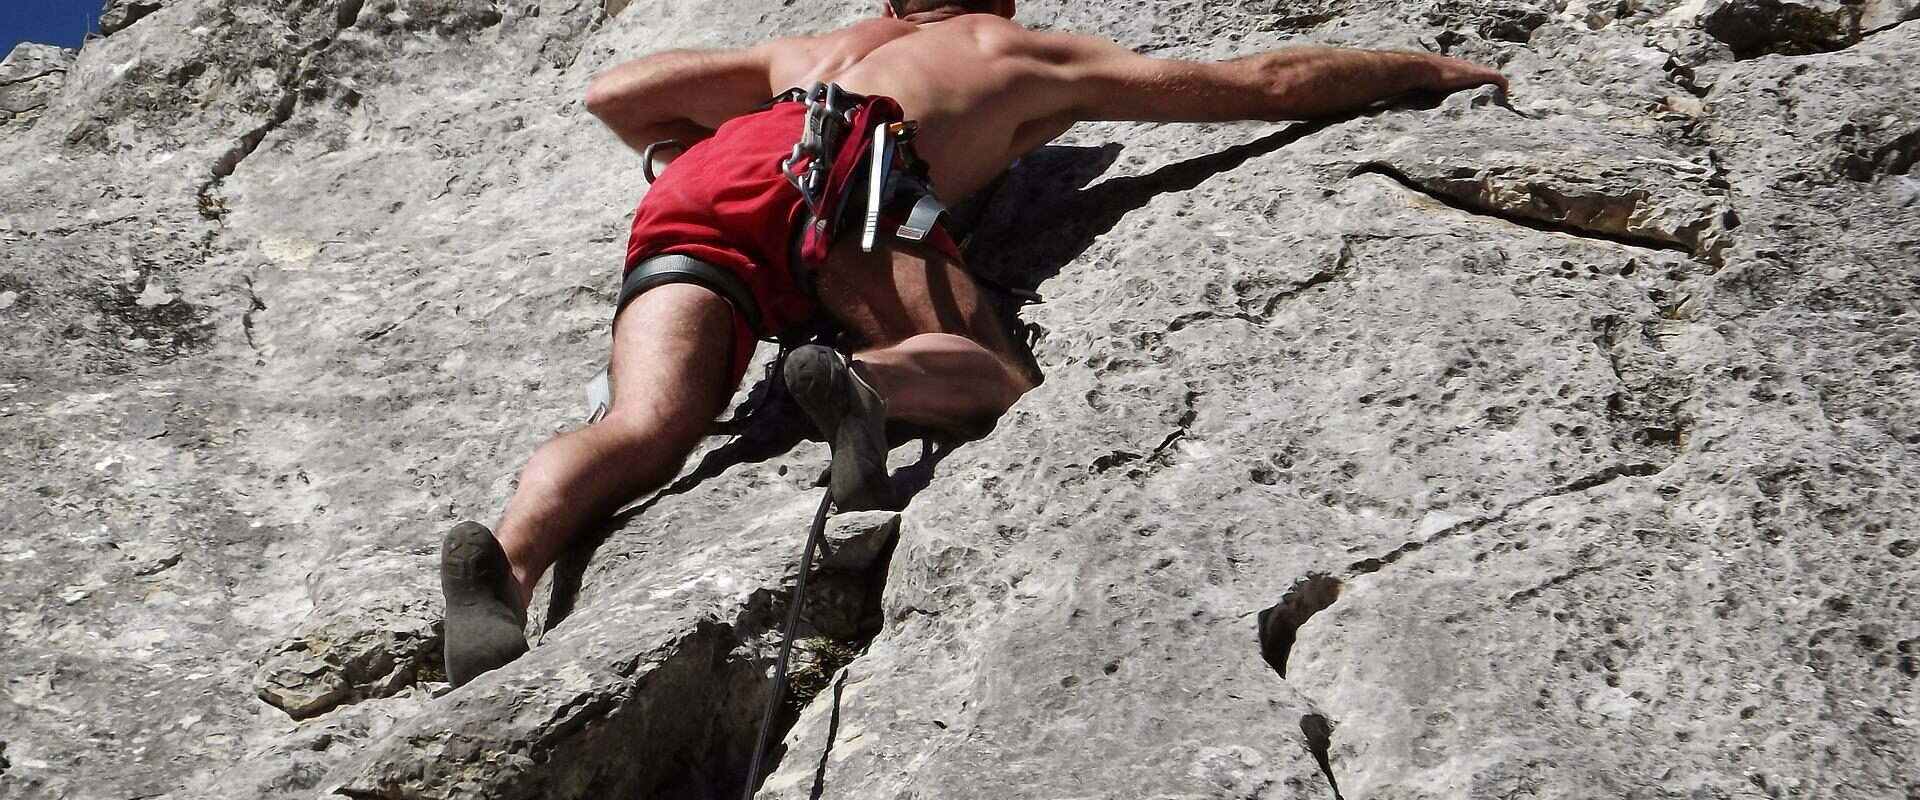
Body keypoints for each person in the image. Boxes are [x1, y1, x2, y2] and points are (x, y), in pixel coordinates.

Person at [440, 0, 1506, 687]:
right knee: (995, 376)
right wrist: (1415, 65)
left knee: (641, 423)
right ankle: (868, 378)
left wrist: (685, 145)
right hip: (856, 172)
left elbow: (614, 95)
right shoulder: (1012, 50)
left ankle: (514, 566)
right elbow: (1261, 84)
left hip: (715, 183)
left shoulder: (809, 48)